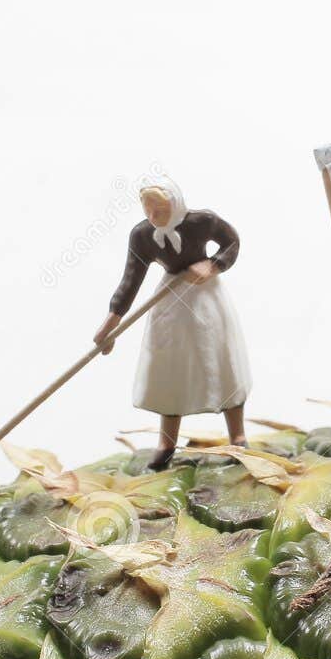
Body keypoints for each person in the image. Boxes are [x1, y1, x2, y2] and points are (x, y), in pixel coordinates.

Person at [95, 176, 251, 471]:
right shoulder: (142, 236)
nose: (153, 218)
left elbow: (232, 242)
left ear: (176, 204)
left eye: (160, 211)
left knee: (222, 361)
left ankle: (238, 434)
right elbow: (130, 280)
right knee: (170, 370)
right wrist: (110, 325)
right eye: (148, 211)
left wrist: (213, 265)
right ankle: (167, 443)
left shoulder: (201, 222)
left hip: (207, 296)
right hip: (170, 302)